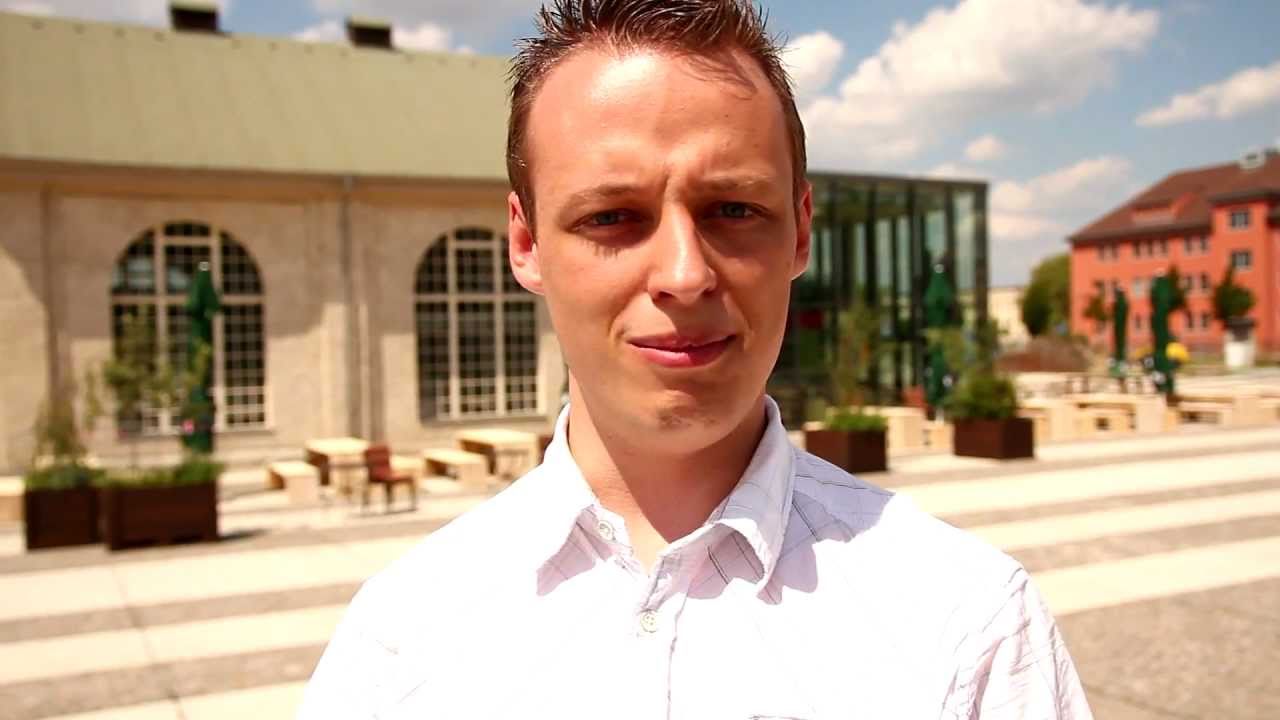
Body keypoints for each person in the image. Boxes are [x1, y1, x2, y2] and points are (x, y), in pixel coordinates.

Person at [298, 1, 1092, 717]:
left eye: (733, 209)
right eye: (612, 216)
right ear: (527, 243)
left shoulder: (968, 626)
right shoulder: (401, 643)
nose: (684, 274)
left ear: (801, 231)